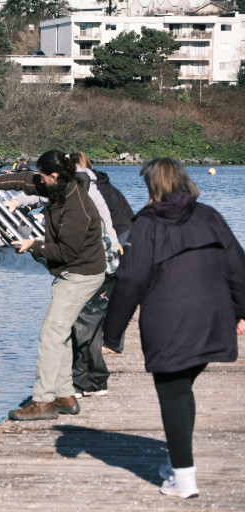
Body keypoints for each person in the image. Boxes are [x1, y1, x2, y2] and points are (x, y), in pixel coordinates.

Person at [103, 158, 245, 499]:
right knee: (182, 388)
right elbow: (237, 267)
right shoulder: (209, 215)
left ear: (152, 186)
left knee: (174, 392)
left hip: (169, 322)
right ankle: (177, 462)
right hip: (212, 319)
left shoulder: (147, 223)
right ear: (183, 179)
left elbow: (131, 279)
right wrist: (241, 312)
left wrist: (112, 333)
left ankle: (183, 479)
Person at [0, 150, 106, 421]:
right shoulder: (58, 186)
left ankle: (43, 402)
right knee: (59, 333)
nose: (38, 180)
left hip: (81, 274)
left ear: (55, 175)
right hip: (74, 272)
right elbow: (23, 180)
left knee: (51, 335)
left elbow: (67, 252)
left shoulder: (77, 208)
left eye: (43, 176)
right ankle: (65, 396)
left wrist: (34, 245)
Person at [68, 152, 135, 398]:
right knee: (106, 299)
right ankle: (102, 358)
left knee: (112, 293)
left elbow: (99, 221)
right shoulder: (92, 182)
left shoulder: (95, 187)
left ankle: (112, 345)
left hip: (123, 234)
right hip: (120, 234)